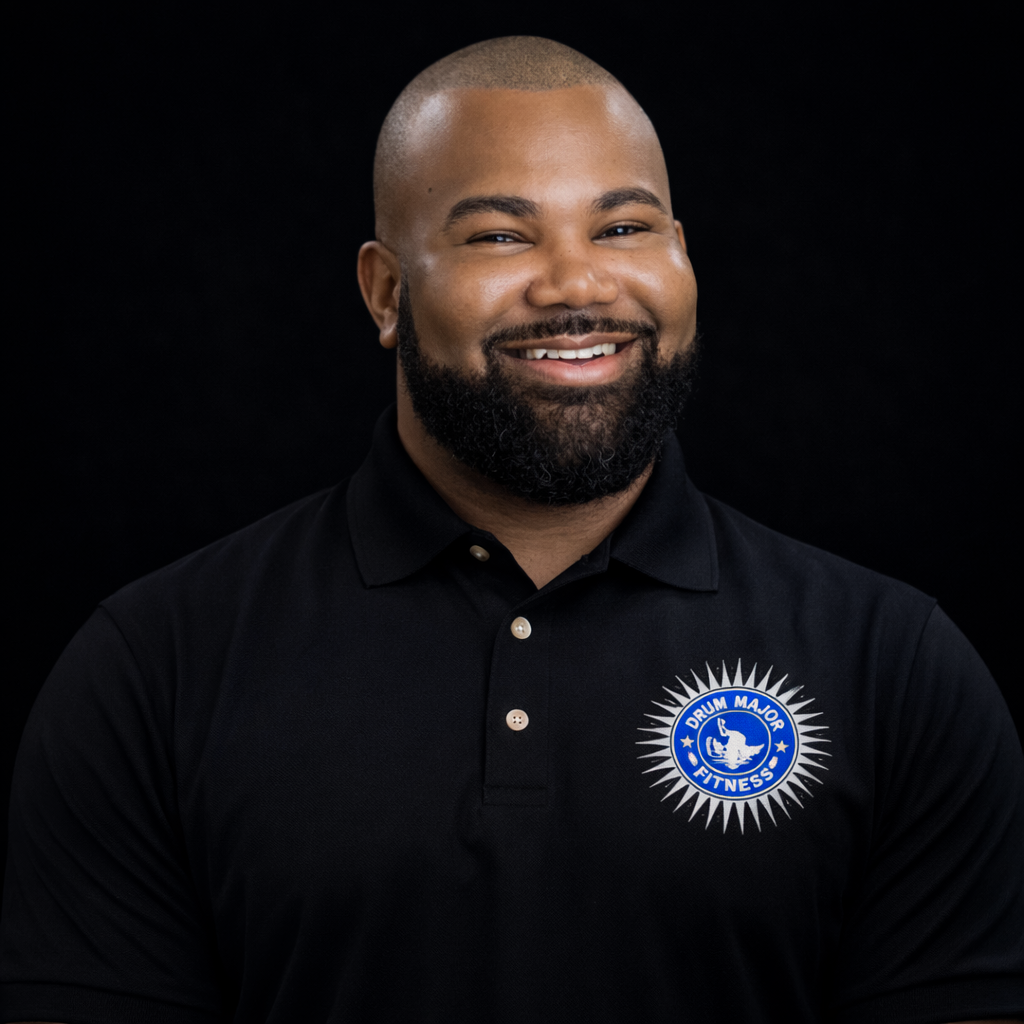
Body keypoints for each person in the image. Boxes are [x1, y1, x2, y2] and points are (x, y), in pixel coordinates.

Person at [2, 35, 1021, 1024]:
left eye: (623, 227)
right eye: (500, 234)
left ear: (682, 254)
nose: (576, 285)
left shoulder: (896, 669)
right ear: (386, 292)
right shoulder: (152, 671)